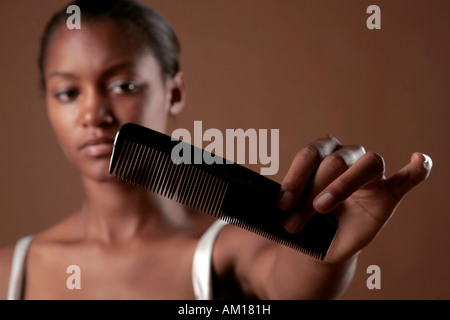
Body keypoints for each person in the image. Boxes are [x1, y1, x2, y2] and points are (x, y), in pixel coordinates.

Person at [0, 0, 432, 300]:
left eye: (123, 85)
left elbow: (287, 282)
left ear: (174, 92)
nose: (93, 113)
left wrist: (325, 247)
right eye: (68, 92)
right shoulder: (10, 272)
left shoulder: (227, 252)